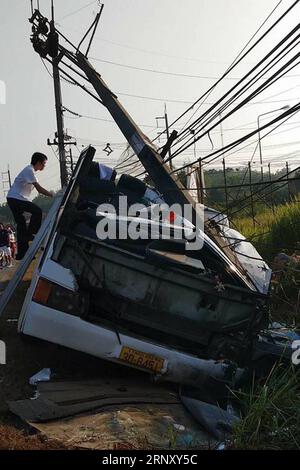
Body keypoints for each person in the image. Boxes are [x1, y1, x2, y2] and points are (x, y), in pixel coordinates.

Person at [6, 152, 53, 260]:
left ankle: (22, 253)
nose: (44, 166)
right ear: (38, 162)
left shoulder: (30, 171)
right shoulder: (29, 170)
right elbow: (39, 190)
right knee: (37, 211)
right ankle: (32, 232)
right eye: (44, 164)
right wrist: (53, 195)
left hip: (14, 198)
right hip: (16, 198)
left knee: (21, 225)